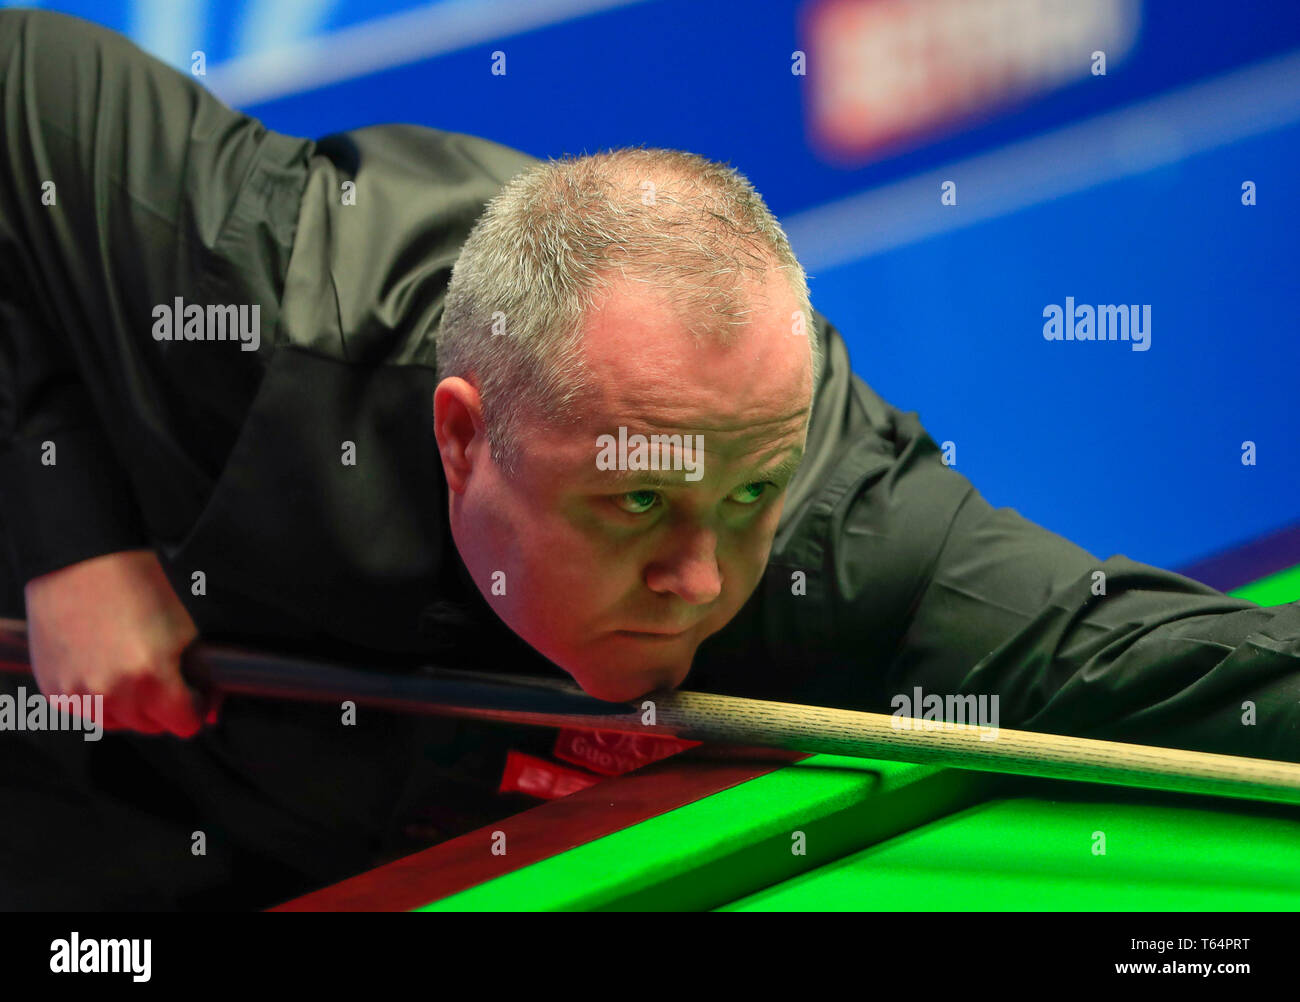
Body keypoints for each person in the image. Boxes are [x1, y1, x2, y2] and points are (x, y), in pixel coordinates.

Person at [2, 9, 1297, 910]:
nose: (703, 574)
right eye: (635, 499)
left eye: (747, 493)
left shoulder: (841, 534)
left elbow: (1130, 657)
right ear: (462, 436)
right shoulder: (265, 306)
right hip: (73, 792)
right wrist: (72, 527)